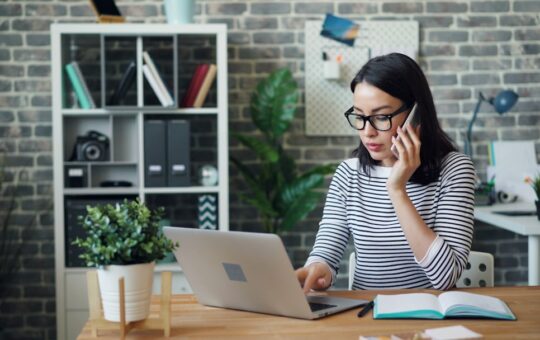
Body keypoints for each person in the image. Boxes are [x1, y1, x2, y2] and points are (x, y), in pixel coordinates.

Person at [296, 53, 476, 292]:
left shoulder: (454, 169)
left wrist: (397, 189)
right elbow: (326, 252)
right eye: (359, 116)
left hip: (428, 317)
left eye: (381, 117)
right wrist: (318, 269)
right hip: (365, 313)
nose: (368, 131)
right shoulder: (348, 174)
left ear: (416, 115)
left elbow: (445, 277)